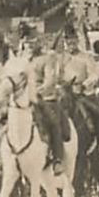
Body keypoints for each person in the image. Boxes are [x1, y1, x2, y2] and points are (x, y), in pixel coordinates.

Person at [31, 33, 71, 173]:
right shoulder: (22, 58)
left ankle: (57, 159)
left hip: (44, 99)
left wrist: (36, 91)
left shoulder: (48, 58)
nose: (29, 44)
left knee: (53, 122)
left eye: (32, 40)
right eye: (26, 41)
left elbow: (50, 81)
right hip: (24, 99)